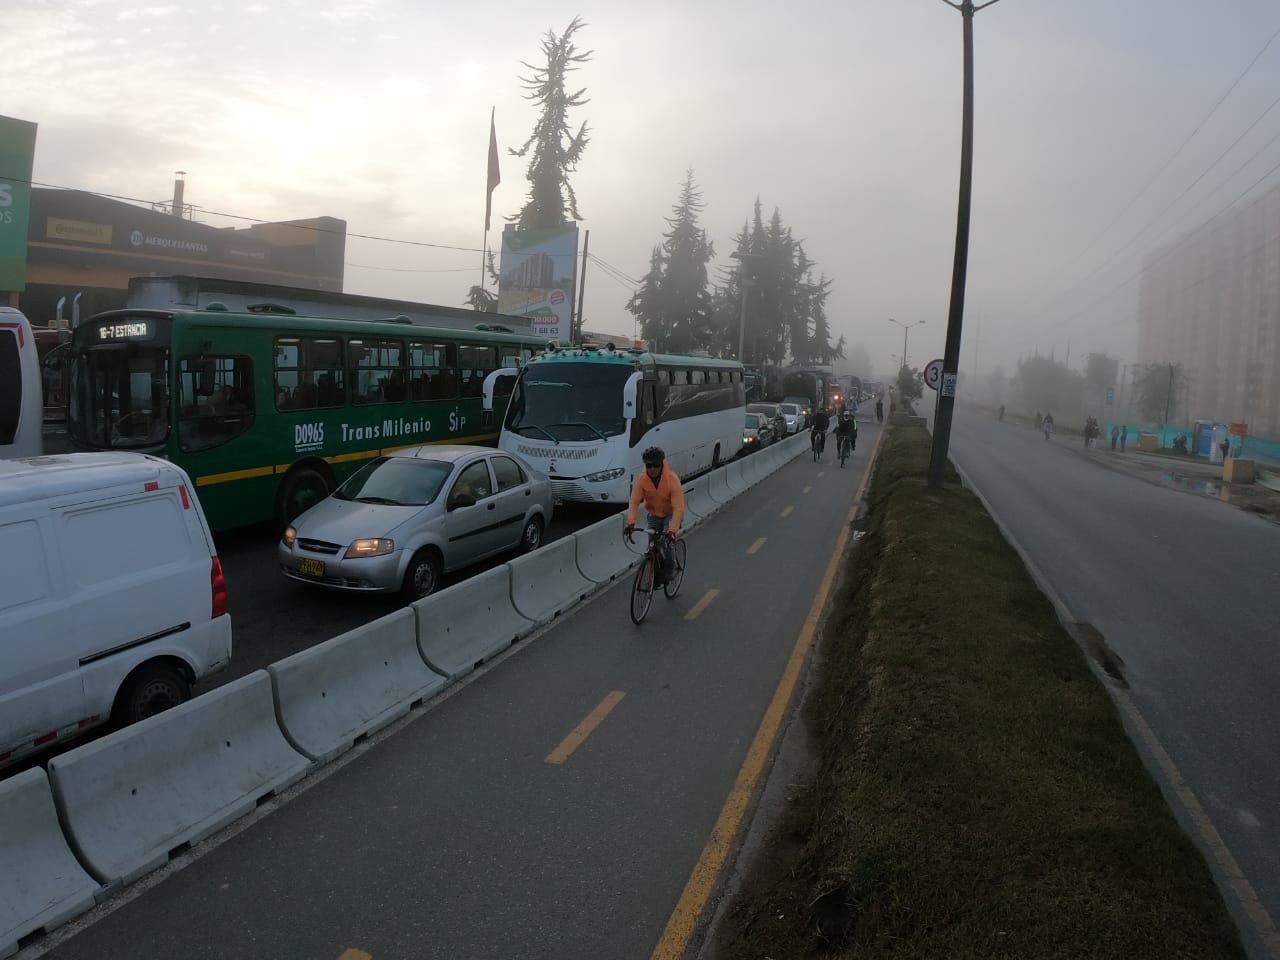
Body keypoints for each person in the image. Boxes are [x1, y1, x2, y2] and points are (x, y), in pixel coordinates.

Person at [624, 446, 685, 584]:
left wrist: (672, 531)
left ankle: (670, 569)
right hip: (654, 514)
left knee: (667, 544)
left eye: (656, 465)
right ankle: (656, 574)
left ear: (662, 464)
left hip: (671, 514)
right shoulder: (642, 480)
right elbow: (634, 501)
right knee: (653, 546)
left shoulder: (672, 479)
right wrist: (630, 523)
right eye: (649, 466)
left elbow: (678, 507)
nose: (652, 469)